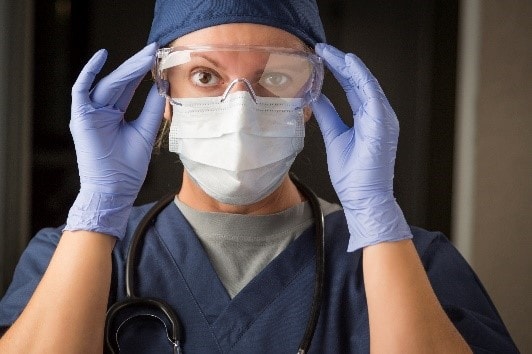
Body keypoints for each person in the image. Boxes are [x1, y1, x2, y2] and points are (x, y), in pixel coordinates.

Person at [0, 1, 519, 353]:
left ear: (309, 98)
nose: (240, 109)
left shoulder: (414, 263)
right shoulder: (67, 258)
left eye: (275, 77)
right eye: (205, 76)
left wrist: (377, 220)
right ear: (164, 94)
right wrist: (98, 208)